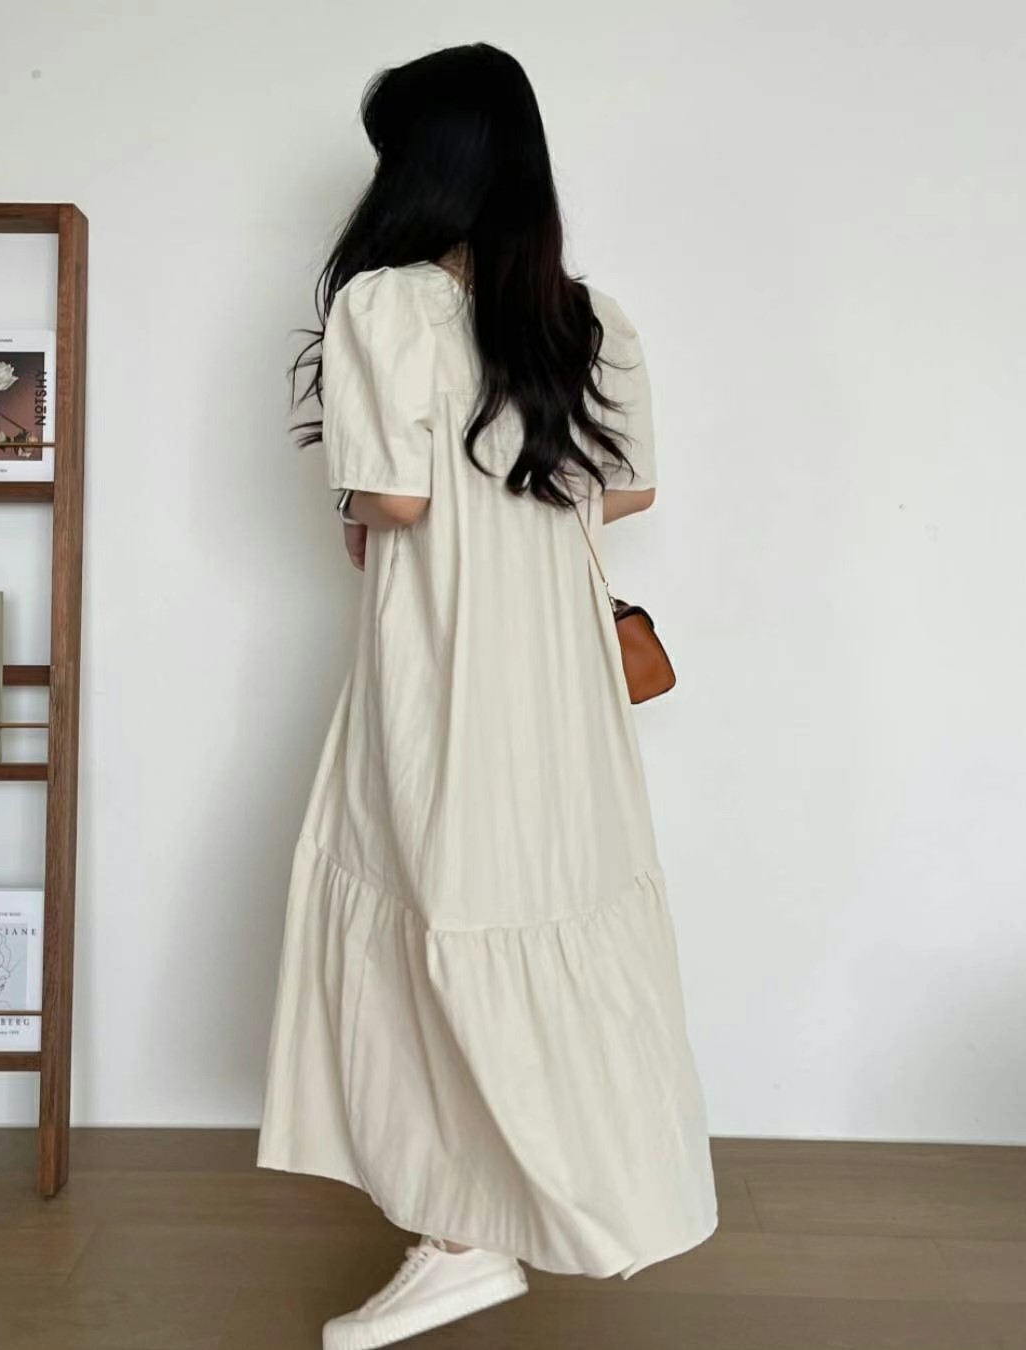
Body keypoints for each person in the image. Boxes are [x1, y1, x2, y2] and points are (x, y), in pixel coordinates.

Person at [256, 41, 718, 1350]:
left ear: (424, 168)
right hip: (560, 678)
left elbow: (393, 501)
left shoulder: (385, 305)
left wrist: (371, 498)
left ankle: (465, 1240)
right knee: (539, 905)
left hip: (444, 661)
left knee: (424, 912)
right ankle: (536, 1210)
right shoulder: (589, 315)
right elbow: (625, 490)